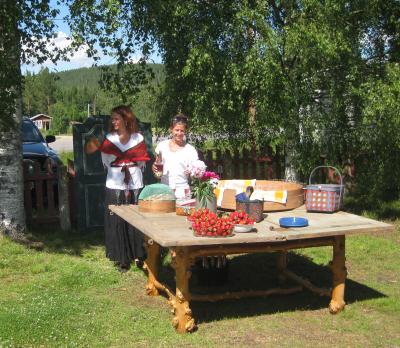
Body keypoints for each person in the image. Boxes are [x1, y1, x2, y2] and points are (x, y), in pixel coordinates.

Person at [86, 105, 150, 272]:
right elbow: (106, 161)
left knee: (137, 218)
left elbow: (142, 162)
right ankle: (122, 258)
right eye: (112, 118)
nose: (113, 121)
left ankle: (139, 254)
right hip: (115, 182)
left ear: (125, 119)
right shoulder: (109, 139)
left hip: (135, 181)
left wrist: (128, 163)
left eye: (116, 118)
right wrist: (122, 164)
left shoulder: (138, 139)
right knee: (117, 219)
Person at [152, 114, 198, 200]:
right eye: (177, 130)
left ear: (185, 131)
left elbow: (195, 174)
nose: (179, 133)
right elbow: (157, 170)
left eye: (182, 131)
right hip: (164, 190)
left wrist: (193, 173)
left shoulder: (190, 150)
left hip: (182, 192)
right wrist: (154, 168)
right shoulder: (162, 146)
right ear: (171, 130)